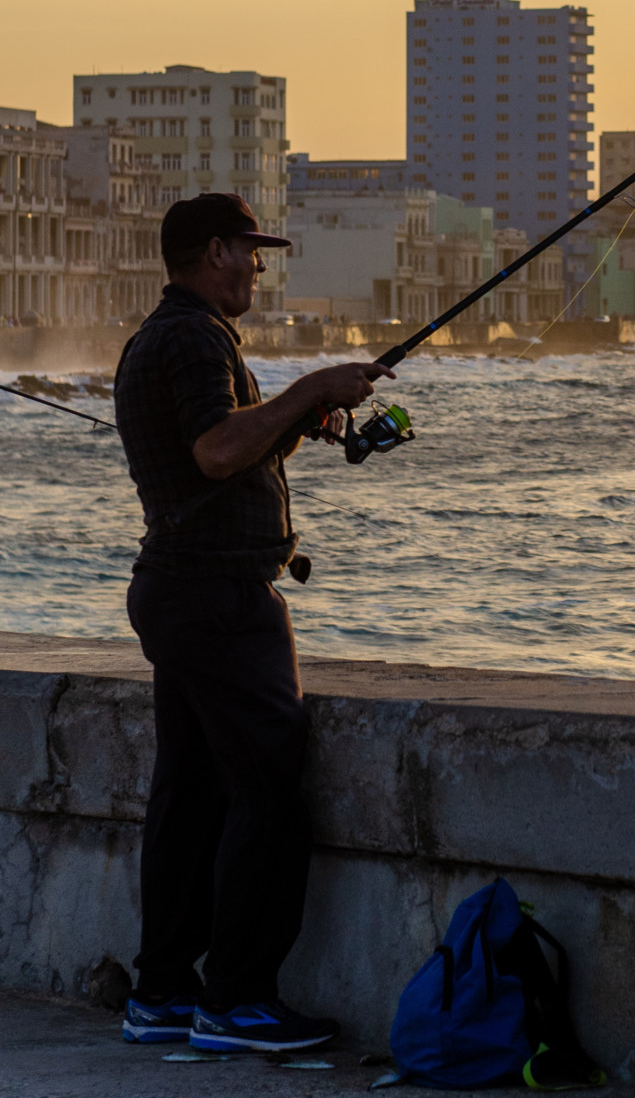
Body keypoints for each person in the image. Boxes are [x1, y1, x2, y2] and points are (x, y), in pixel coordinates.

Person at [114, 193, 394, 1054]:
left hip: (180, 590)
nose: (260, 266)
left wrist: (305, 417)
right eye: (249, 249)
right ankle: (235, 1003)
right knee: (267, 792)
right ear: (211, 253)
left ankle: (162, 990)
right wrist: (312, 386)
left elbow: (229, 448)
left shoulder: (159, 339)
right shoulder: (195, 337)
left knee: (191, 794)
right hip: (218, 599)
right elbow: (217, 451)